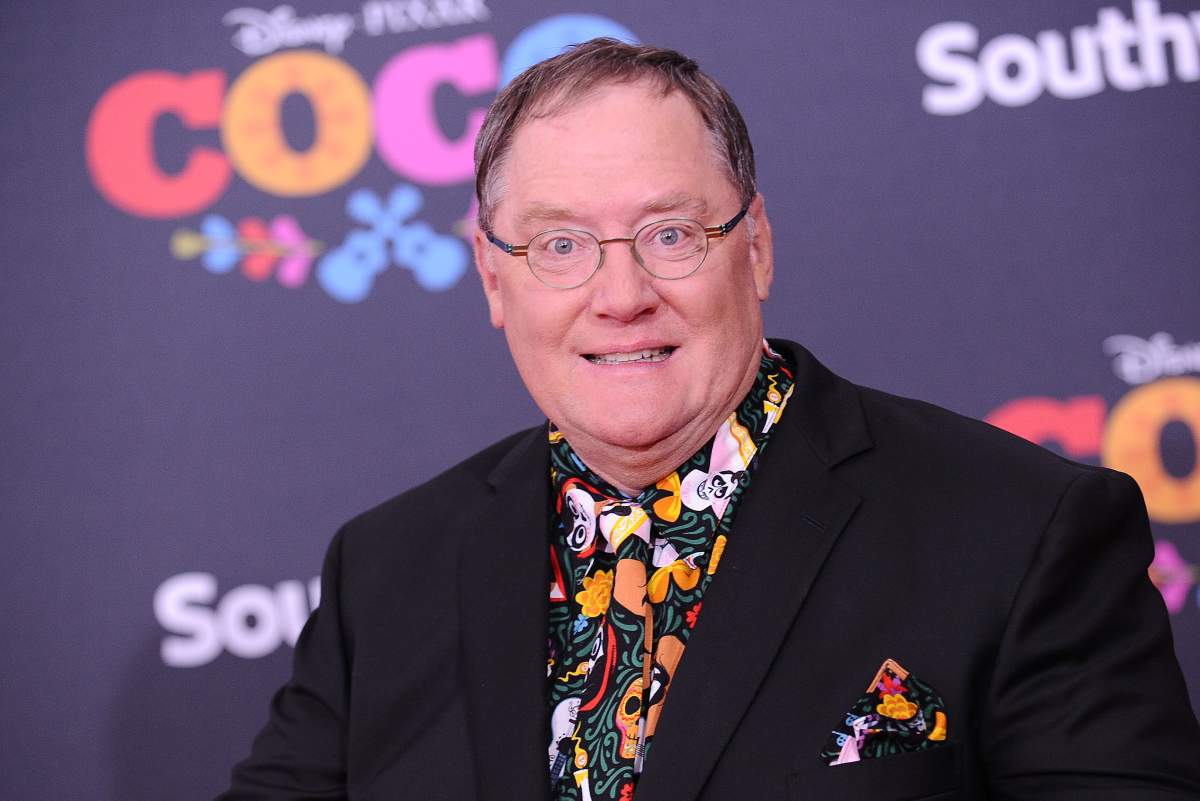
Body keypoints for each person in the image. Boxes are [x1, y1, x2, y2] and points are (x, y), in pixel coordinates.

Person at [217, 38, 1200, 801]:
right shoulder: (388, 572)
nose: (620, 294)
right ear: (493, 279)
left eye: (670, 235)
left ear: (757, 247)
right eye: (559, 244)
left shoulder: (1020, 530)